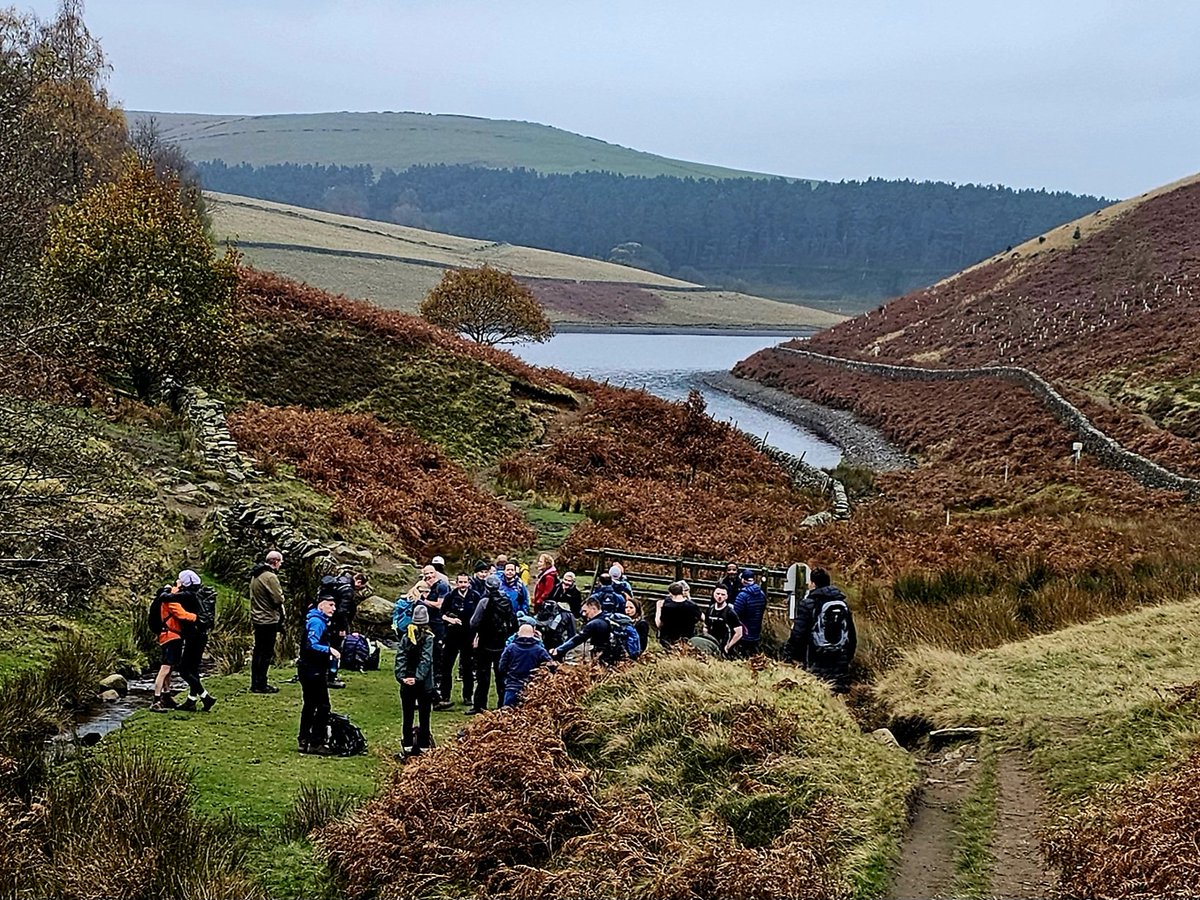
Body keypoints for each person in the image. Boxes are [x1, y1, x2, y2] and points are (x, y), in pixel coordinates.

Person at [785, 567, 857, 692]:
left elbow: (798, 634)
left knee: (818, 691)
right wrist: (847, 657)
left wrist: (790, 656)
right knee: (837, 691)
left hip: (815, 657)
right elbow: (851, 634)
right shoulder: (842, 604)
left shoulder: (808, 604)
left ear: (813, 584)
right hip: (840, 656)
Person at [468, 574, 517, 714]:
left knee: (483, 675)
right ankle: (503, 704)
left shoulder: (484, 601)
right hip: (502, 642)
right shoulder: (506, 600)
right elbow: (512, 620)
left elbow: (474, 622)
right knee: (501, 675)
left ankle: (479, 705)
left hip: (485, 642)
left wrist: (476, 634)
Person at [298, 595, 340, 754]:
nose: (333, 609)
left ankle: (304, 739)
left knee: (309, 704)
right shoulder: (317, 622)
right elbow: (312, 644)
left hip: (307, 668)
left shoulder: (317, 620)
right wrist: (329, 650)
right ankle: (316, 741)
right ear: (321, 605)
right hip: (313, 669)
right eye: (330, 605)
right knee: (323, 706)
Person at [150, 573, 197, 711]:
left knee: (169, 668)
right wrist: (197, 617)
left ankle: (166, 696)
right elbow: (181, 614)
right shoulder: (172, 597)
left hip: (168, 634)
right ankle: (156, 700)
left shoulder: (168, 594)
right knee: (165, 668)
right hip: (171, 635)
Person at [173, 569, 217, 712]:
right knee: (193, 669)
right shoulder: (201, 594)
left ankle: (206, 697)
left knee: (183, 669)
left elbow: (166, 597)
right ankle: (191, 701)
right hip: (202, 635)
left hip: (193, 635)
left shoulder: (188, 595)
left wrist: (174, 587)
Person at [397, 604, 436, 755]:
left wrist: (402, 677)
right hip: (424, 683)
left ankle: (407, 746)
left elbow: (401, 657)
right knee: (424, 716)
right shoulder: (429, 638)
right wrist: (418, 677)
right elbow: (426, 660)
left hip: (406, 681)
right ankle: (424, 747)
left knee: (407, 716)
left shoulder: (406, 636)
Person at [549, 597, 627, 666]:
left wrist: (559, 650)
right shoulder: (608, 618)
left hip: (604, 656)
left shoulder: (594, 624)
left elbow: (577, 639)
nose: (583, 614)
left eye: (585, 611)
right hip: (618, 654)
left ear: (593, 609)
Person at [249, 550, 286, 693]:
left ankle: (255, 682)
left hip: (257, 618)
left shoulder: (255, 575)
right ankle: (262, 684)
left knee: (258, 651)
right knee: (266, 653)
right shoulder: (270, 577)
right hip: (268, 619)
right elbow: (278, 599)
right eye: (280, 562)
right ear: (275, 561)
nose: (281, 565)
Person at [435, 572, 471, 710]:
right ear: (456, 583)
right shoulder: (450, 596)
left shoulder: (474, 596)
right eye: (460, 582)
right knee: (446, 667)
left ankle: (467, 696)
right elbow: (441, 613)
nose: (463, 585)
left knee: (467, 667)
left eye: (465, 582)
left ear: (469, 583)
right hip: (451, 636)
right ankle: (445, 696)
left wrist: (476, 636)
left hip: (468, 636)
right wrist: (450, 619)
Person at [497, 623, 555, 707]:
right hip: (533, 689)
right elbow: (551, 666)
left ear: (518, 634)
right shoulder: (539, 650)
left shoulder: (510, 648)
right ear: (533, 634)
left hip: (512, 687)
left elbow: (501, 667)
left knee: (508, 714)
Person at [655, 580, 701, 648]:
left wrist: (658, 608)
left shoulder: (666, 606)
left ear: (670, 593)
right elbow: (702, 617)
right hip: (687, 640)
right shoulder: (692, 605)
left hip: (668, 640)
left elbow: (659, 624)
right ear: (682, 592)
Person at [733, 568, 767, 657]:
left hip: (744, 631)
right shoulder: (762, 594)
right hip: (756, 630)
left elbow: (736, 613)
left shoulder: (743, 595)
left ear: (743, 580)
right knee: (753, 654)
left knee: (742, 654)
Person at [703, 586, 744, 657]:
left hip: (724, 647)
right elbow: (706, 626)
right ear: (713, 594)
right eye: (718, 594)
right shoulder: (710, 609)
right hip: (711, 644)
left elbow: (739, 632)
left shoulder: (730, 612)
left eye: (723, 595)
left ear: (726, 597)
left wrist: (728, 646)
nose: (719, 596)